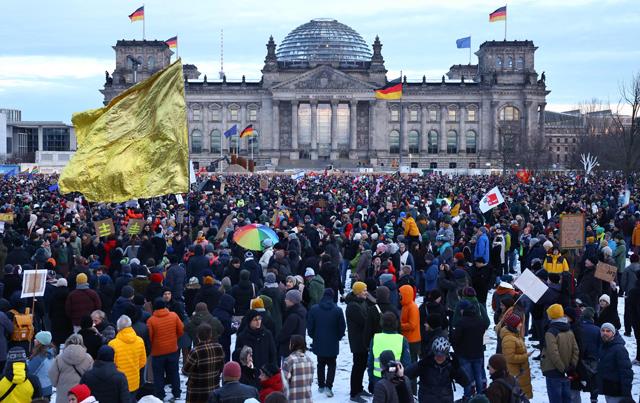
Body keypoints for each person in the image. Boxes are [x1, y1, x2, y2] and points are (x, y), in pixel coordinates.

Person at [404, 337, 469, 403]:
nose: (439, 358)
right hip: (427, 399)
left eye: (442, 356)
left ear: (446, 354)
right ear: (434, 353)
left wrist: (457, 368)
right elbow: (407, 374)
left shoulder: (450, 366)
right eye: (437, 355)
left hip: (445, 399)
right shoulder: (425, 364)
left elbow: (466, 382)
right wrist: (420, 363)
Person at [307, 288, 346, 398]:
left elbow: (310, 327)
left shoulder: (314, 309)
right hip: (332, 342)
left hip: (319, 341)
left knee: (320, 363)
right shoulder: (337, 310)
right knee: (332, 364)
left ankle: (321, 385)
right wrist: (337, 337)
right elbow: (342, 327)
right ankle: (329, 385)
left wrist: (314, 337)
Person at [147, 297, 184, 400]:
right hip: (172, 350)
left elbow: (149, 337)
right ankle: (177, 393)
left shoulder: (151, 320)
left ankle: (160, 395)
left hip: (157, 352)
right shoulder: (174, 315)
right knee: (174, 372)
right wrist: (174, 339)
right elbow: (181, 330)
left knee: (158, 375)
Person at [541, 304, 579, 403]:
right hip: (567, 370)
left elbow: (553, 353)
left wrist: (563, 369)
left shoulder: (550, 332)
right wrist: (571, 366)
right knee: (566, 399)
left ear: (551, 316)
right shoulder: (569, 329)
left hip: (554, 371)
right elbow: (576, 350)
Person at [451, 301, 489, 399]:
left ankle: (467, 397)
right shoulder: (480, 320)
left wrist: (457, 350)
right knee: (478, 376)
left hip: (465, 354)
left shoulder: (461, 322)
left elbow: (455, 339)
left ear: (463, 310)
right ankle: (480, 396)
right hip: (478, 353)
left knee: (467, 378)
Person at [367, 312, 411, 390]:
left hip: (378, 378)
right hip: (396, 378)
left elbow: (370, 362)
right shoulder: (402, 339)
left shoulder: (375, 338)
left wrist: (371, 380)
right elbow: (406, 363)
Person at [183, 323, 225, 403]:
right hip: (214, 388)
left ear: (197, 336)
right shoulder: (219, 347)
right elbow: (222, 367)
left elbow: (185, 371)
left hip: (197, 392)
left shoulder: (195, 351)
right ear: (210, 335)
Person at [345, 281, 372, 402]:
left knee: (361, 366)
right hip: (358, 341)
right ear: (358, 293)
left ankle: (359, 388)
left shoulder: (362, 302)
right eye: (364, 291)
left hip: (363, 340)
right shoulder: (353, 306)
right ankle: (354, 392)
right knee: (358, 366)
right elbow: (364, 321)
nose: (366, 292)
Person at [109, 314, 147, 399]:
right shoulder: (140, 341)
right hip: (134, 381)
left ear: (118, 328)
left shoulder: (113, 344)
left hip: (119, 383)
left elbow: (111, 365)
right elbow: (143, 362)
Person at [48, 334, 94, 403]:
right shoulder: (88, 358)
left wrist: (57, 385)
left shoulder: (59, 358)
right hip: (81, 396)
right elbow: (91, 378)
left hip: (63, 395)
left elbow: (52, 375)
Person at [499, 313, 533, 399]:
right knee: (517, 397)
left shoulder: (515, 335)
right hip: (515, 373)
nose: (521, 325)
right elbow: (510, 357)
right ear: (513, 325)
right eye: (519, 323)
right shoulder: (509, 339)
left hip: (520, 373)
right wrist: (526, 356)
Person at [597, 322, 634, 402]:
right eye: (603, 330)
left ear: (613, 333)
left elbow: (626, 372)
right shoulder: (603, 346)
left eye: (608, 331)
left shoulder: (619, 349)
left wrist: (627, 394)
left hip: (617, 391)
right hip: (608, 389)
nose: (604, 333)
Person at [281, 335, 314, 403]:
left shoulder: (289, 361)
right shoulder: (309, 360)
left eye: (290, 343)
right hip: (307, 399)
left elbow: (284, 383)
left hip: (293, 399)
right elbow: (310, 381)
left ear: (293, 345)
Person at [277, 289, 307, 360]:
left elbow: (284, 334)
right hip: (298, 348)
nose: (285, 300)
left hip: (289, 350)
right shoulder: (301, 311)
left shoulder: (293, 316)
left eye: (287, 298)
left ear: (292, 301)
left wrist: (277, 340)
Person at [27, 331, 55, 400]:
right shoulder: (50, 353)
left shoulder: (39, 357)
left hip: (39, 389)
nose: (34, 340)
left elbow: (29, 372)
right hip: (48, 387)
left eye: (36, 339)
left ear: (40, 342)